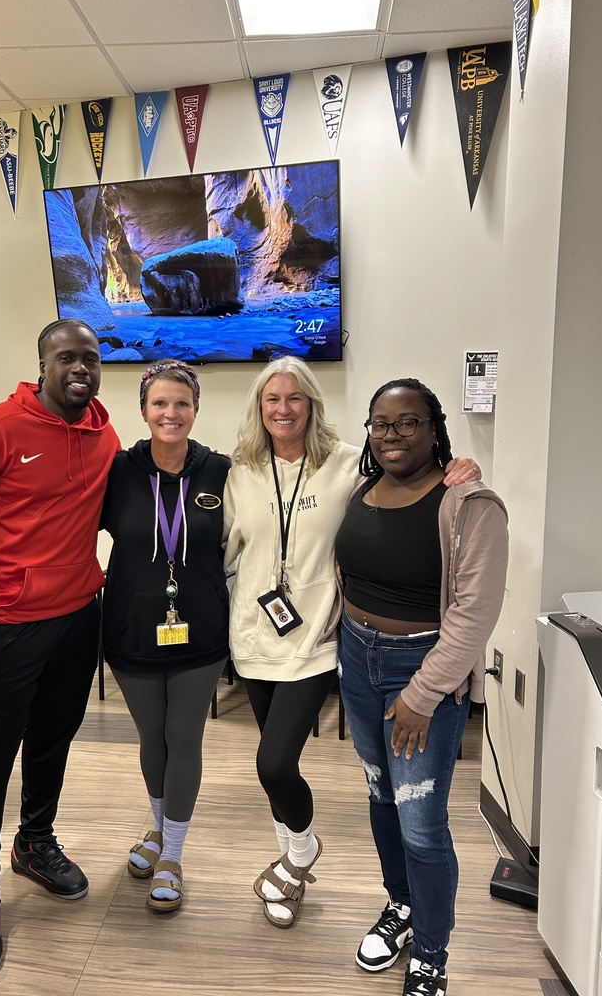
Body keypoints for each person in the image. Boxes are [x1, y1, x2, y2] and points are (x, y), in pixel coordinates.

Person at [222, 357, 479, 929]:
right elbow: (218, 550)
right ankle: (291, 862)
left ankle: (303, 850)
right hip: (253, 638)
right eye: (272, 399)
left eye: (295, 398)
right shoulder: (238, 471)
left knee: (273, 762)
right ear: (258, 409)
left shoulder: (346, 467)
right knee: (278, 770)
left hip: (318, 641)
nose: (283, 409)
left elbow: (406, 481)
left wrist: (456, 467)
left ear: (312, 403)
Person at [0, 319, 121, 976]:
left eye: (90, 358)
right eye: (66, 357)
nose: (80, 368)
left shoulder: (102, 430)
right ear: (42, 365)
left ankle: (34, 843)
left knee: (51, 744)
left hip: (73, 624)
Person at [334, 378, 509, 996]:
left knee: (421, 822)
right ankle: (401, 906)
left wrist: (422, 694)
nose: (392, 434)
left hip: (421, 674)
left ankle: (432, 951)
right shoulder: (361, 489)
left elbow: (473, 615)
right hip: (357, 663)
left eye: (408, 422)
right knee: (383, 799)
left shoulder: (469, 503)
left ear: (435, 429)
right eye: (380, 423)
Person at [101, 362, 230, 914]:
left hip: (199, 629)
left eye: (181, 404)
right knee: (151, 738)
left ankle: (171, 854)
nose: (170, 414)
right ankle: (158, 830)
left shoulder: (222, 471)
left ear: (195, 410)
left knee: (184, 737)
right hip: (131, 630)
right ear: (144, 410)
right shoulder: (117, 472)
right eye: (160, 404)